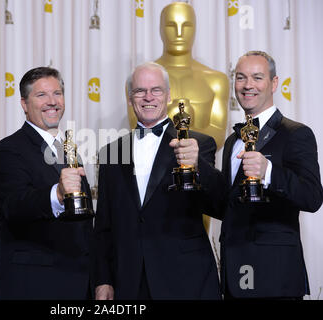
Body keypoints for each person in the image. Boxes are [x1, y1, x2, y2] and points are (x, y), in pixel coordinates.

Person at [94, 62, 223, 300]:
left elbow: (219, 205)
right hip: (129, 282)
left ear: (169, 94)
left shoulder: (198, 144)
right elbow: (104, 225)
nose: (148, 97)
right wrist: (103, 279)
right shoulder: (111, 151)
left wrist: (198, 166)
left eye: (156, 90)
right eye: (140, 91)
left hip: (186, 278)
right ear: (130, 97)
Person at [219, 51, 323, 299]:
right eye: (241, 78)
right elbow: (228, 204)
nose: (248, 86)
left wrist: (269, 172)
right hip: (234, 277)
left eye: (257, 77)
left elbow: (312, 197)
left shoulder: (296, 134)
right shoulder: (232, 140)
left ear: (274, 83)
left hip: (275, 278)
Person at [0, 67, 93, 299]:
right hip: (33, 285)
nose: (52, 101)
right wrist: (57, 193)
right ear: (24, 104)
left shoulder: (71, 150)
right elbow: (10, 207)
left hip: (78, 283)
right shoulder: (9, 149)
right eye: (41, 95)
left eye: (57, 93)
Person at [128, 2, 229, 151]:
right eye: (171, 25)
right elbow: (137, 131)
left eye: (186, 26)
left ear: (195, 29)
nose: (179, 32)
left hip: (201, 170)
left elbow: (218, 137)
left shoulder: (216, 80)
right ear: (160, 29)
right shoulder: (139, 79)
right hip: (153, 171)